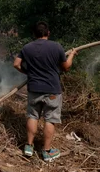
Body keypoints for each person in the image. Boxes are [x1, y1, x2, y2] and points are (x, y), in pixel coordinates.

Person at [13, 21, 77, 162]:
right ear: (48, 33)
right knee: (50, 119)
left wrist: (27, 72)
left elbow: (16, 64)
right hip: (52, 90)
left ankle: (28, 147)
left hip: (34, 88)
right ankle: (47, 152)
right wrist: (72, 54)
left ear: (34, 34)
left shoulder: (27, 48)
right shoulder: (56, 46)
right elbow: (66, 67)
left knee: (33, 116)